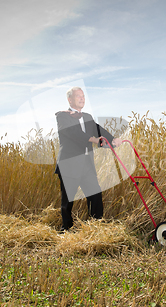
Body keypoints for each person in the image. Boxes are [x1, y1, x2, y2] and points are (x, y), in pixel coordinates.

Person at [55, 86, 122, 231]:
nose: (82, 98)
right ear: (70, 100)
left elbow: (98, 130)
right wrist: (93, 139)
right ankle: (66, 229)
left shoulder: (87, 117)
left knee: (95, 194)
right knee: (68, 200)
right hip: (69, 164)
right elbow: (73, 133)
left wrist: (112, 139)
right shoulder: (62, 116)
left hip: (86, 165)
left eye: (83, 96)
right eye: (78, 96)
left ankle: (96, 227)